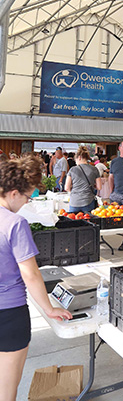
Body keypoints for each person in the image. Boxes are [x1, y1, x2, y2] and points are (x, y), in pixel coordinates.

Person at [0, 156, 72, 400]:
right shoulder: (14, 223)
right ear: (13, 193)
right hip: (8, 314)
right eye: (27, 197)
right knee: (6, 391)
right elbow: (30, 273)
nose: (26, 203)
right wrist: (48, 308)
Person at [65, 146, 102, 214]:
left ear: (79, 157)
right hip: (88, 201)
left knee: (73, 222)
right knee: (89, 223)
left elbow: (66, 187)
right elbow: (99, 187)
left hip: (74, 202)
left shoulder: (72, 170)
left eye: (75, 160)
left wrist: (74, 191)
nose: (75, 162)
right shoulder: (94, 169)